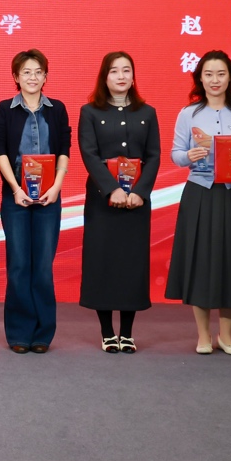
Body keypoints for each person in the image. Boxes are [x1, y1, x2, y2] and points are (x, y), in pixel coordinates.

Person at [165, 49, 231, 355]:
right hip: (201, 193)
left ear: (230, 78)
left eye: (221, 74)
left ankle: (226, 336)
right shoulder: (189, 114)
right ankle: (203, 336)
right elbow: (175, 154)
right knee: (200, 261)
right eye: (208, 74)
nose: (215, 80)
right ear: (200, 78)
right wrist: (188, 155)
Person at [77, 51, 161, 354]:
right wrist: (111, 189)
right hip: (103, 201)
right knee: (103, 262)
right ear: (105, 76)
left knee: (130, 264)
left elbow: (154, 155)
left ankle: (127, 333)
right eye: (114, 71)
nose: (121, 76)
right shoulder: (89, 112)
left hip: (137, 201)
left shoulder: (147, 112)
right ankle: (107, 332)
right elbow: (89, 154)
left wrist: (140, 191)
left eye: (127, 70)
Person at [0, 49, 72, 354]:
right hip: (16, 197)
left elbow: (64, 149)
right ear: (16, 76)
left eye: (38, 72)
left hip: (50, 198)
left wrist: (57, 186)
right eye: (26, 72)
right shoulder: (5, 109)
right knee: (19, 265)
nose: (33, 77)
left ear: (45, 76)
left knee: (43, 267)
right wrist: (15, 188)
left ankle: (43, 333)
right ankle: (19, 333)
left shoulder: (57, 109)